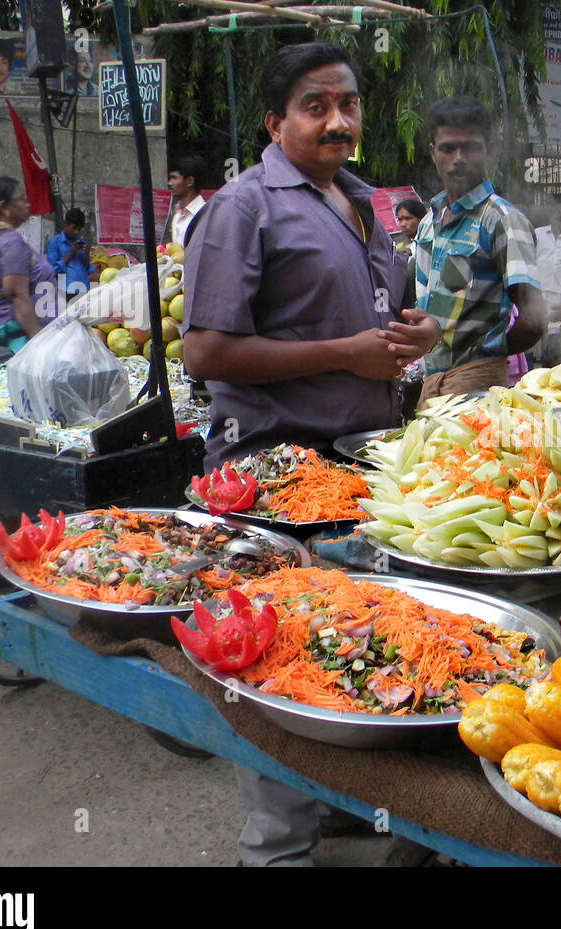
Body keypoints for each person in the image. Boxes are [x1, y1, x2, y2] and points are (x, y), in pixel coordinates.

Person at [181, 40, 441, 868]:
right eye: (316, 105)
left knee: (354, 640)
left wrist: (418, 332)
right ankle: (276, 851)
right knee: (281, 653)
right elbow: (206, 352)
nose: (338, 120)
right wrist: (343, 355)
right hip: (275, 471)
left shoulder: (365, 201)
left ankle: (336, 806)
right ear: (276, 119)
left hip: (360, 466)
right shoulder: (245, 207)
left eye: (349, 104)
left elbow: (384, 319)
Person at [413, 96, 545, 400]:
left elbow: (534, 320)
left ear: (488, 152)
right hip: (431, 381)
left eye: (470, 147)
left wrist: (489, 351)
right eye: (448, 148)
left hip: (476, 384)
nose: (459, 158)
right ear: (433, 153)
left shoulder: (502, 220)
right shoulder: (427, 223)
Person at [0, 177, 58, 341]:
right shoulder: (11, 242)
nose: (28, 204)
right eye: (22, 199)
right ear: (4, 207)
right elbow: (17, 296)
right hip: (21, 338)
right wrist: (39, 343)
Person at [46, 208, 95, 299]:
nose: (76, 232)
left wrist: (86, 255)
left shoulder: (81, 243)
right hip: (65, 291)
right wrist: (71, 252)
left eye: (79, 229)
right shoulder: (54, 243)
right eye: (74, 228)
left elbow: (88, 269)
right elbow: (52, 270)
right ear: (66, 224)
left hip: (84, 289)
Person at [533, 205, 561, 304]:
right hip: (538, 285)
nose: (560, 216)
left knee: (552, 317)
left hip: (556, 288)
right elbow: (528, 256)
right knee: (537, 316)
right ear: (551, 216)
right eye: (557, 213)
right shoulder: (538, 233)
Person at [166, 155, 208, 248]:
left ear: (189, 181)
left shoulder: (203, 215)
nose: (170, 183)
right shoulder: (177, 213)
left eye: (174, 178)